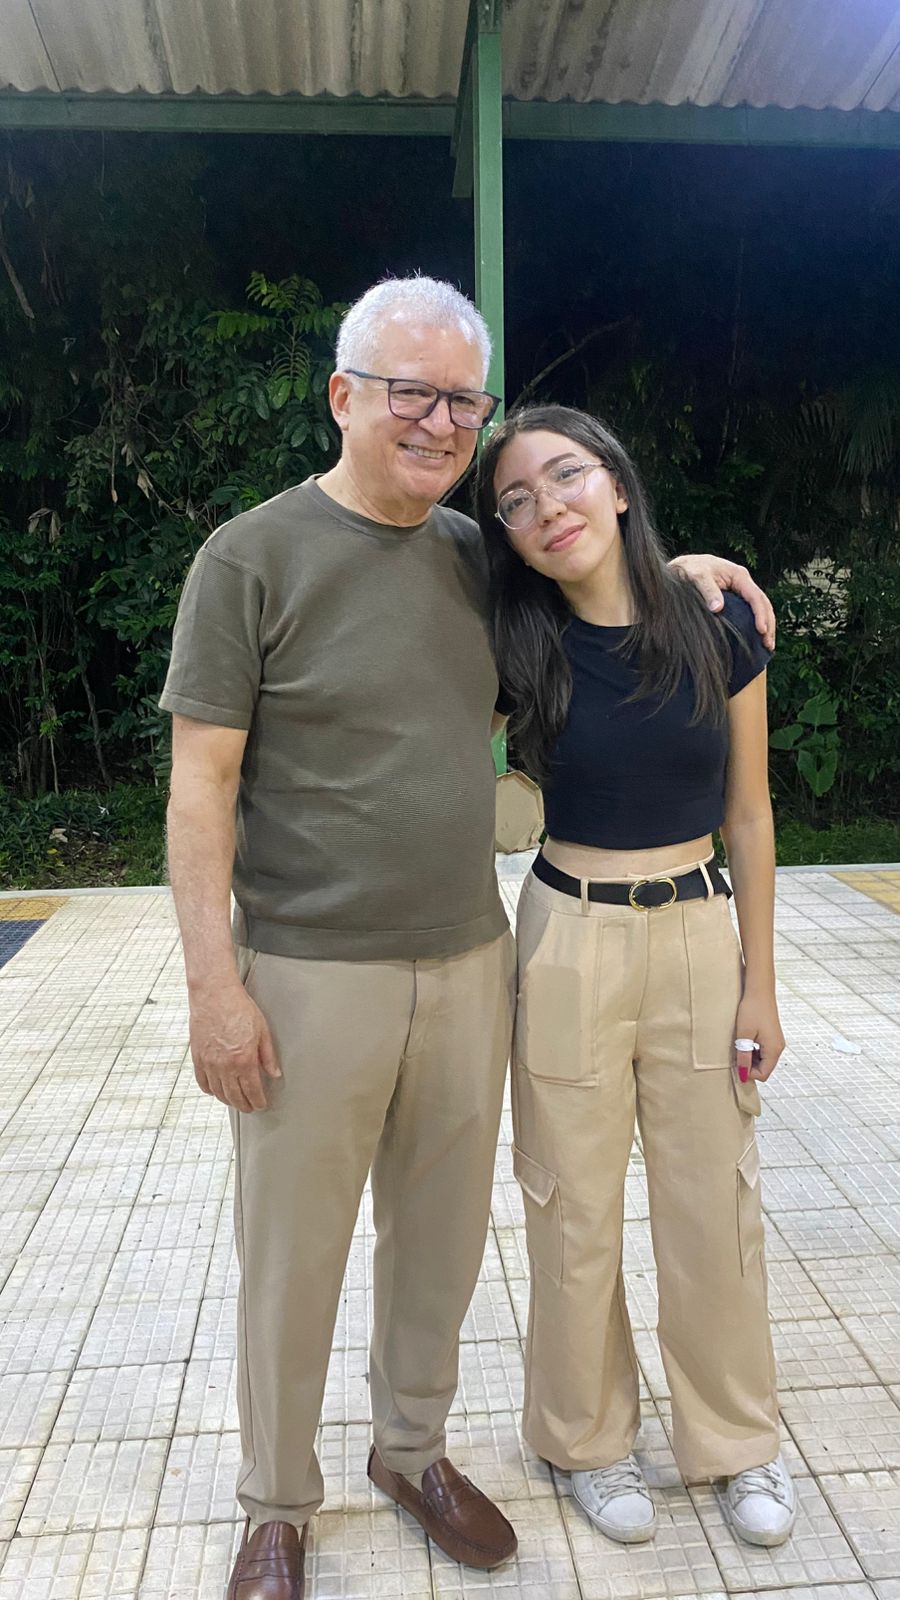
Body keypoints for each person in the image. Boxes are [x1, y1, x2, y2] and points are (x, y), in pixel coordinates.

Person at [160, 277, 777, 1600]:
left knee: (438, 1244)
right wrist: (215, 986)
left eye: (461, 399)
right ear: (344, 395)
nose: (439, 421)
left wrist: (687, 570)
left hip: (470, 954)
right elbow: (199, 787)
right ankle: (276, 1503)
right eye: (411, 392)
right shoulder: (248, 558)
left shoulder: (474, 559)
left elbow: (595, 588)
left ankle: (411, 1452)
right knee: (293, 1254)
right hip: (309, 968)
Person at [475, 403, 794, 1553]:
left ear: (616, 482)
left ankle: (736, 1439)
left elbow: (749, 814)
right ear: (509, 539)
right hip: (567, 933)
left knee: (716, 1199)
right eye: (516, 501)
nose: (546, 507)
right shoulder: (512, 645)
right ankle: (588, 1439)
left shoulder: (719, 625)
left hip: (699, 928)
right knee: (571, 1203)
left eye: (566, 475)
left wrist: (761, 982)